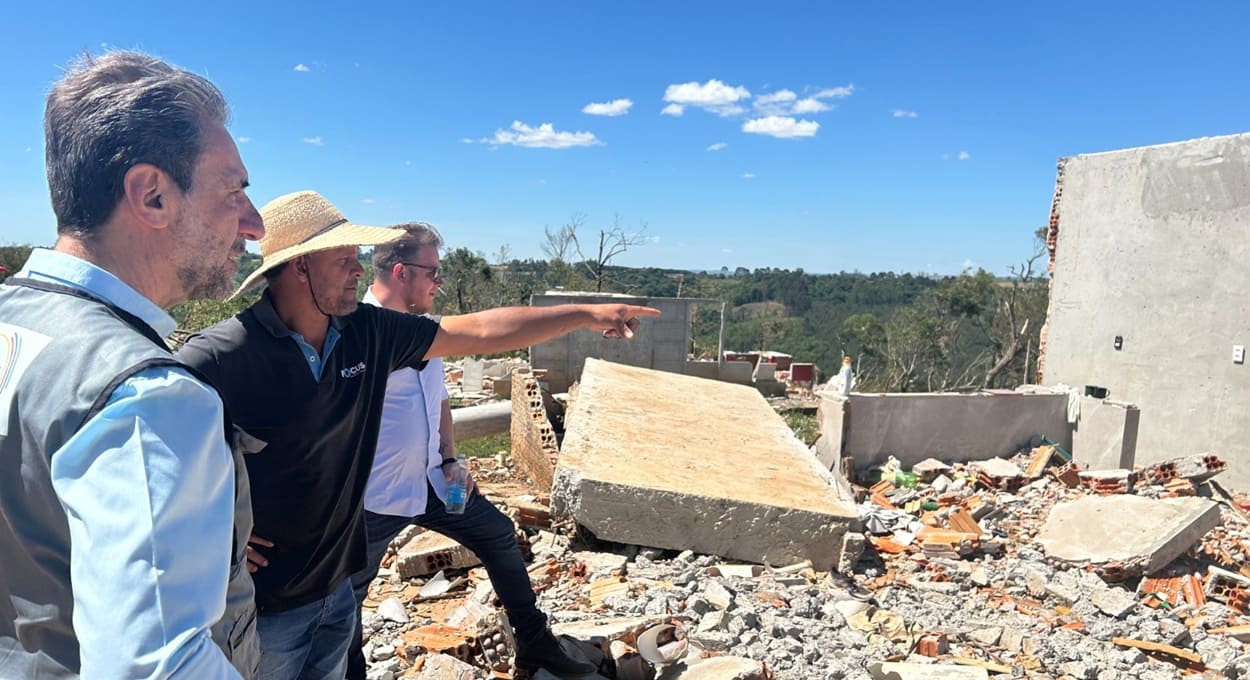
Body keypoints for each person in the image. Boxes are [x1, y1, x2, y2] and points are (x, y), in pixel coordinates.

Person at [176, 190, 658, 680]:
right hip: (270, 610)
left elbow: (481, 331)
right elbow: (146, 465)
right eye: (344, 259)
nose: (358, 270)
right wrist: (213, 531)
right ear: (300, 267)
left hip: (336, 593)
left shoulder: (367, 331)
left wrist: (584, 314)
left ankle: (534, 644)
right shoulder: (221, 357)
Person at [0, 51, 264, 678]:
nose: (253, 225)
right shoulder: (148, 397)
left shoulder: (13, 316)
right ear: (151, 196)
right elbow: (156, 666)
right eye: (234, 192)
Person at [343, 223, 593, 677]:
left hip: (435, 483)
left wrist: (452, 459)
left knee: (498, 536)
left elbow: (438, 399)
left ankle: (535, 644)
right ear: (401, 272)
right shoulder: (360, 333)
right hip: (373, 496)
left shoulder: (425, 330)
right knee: (348, 597)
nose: (440, 283)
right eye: (433, 273)